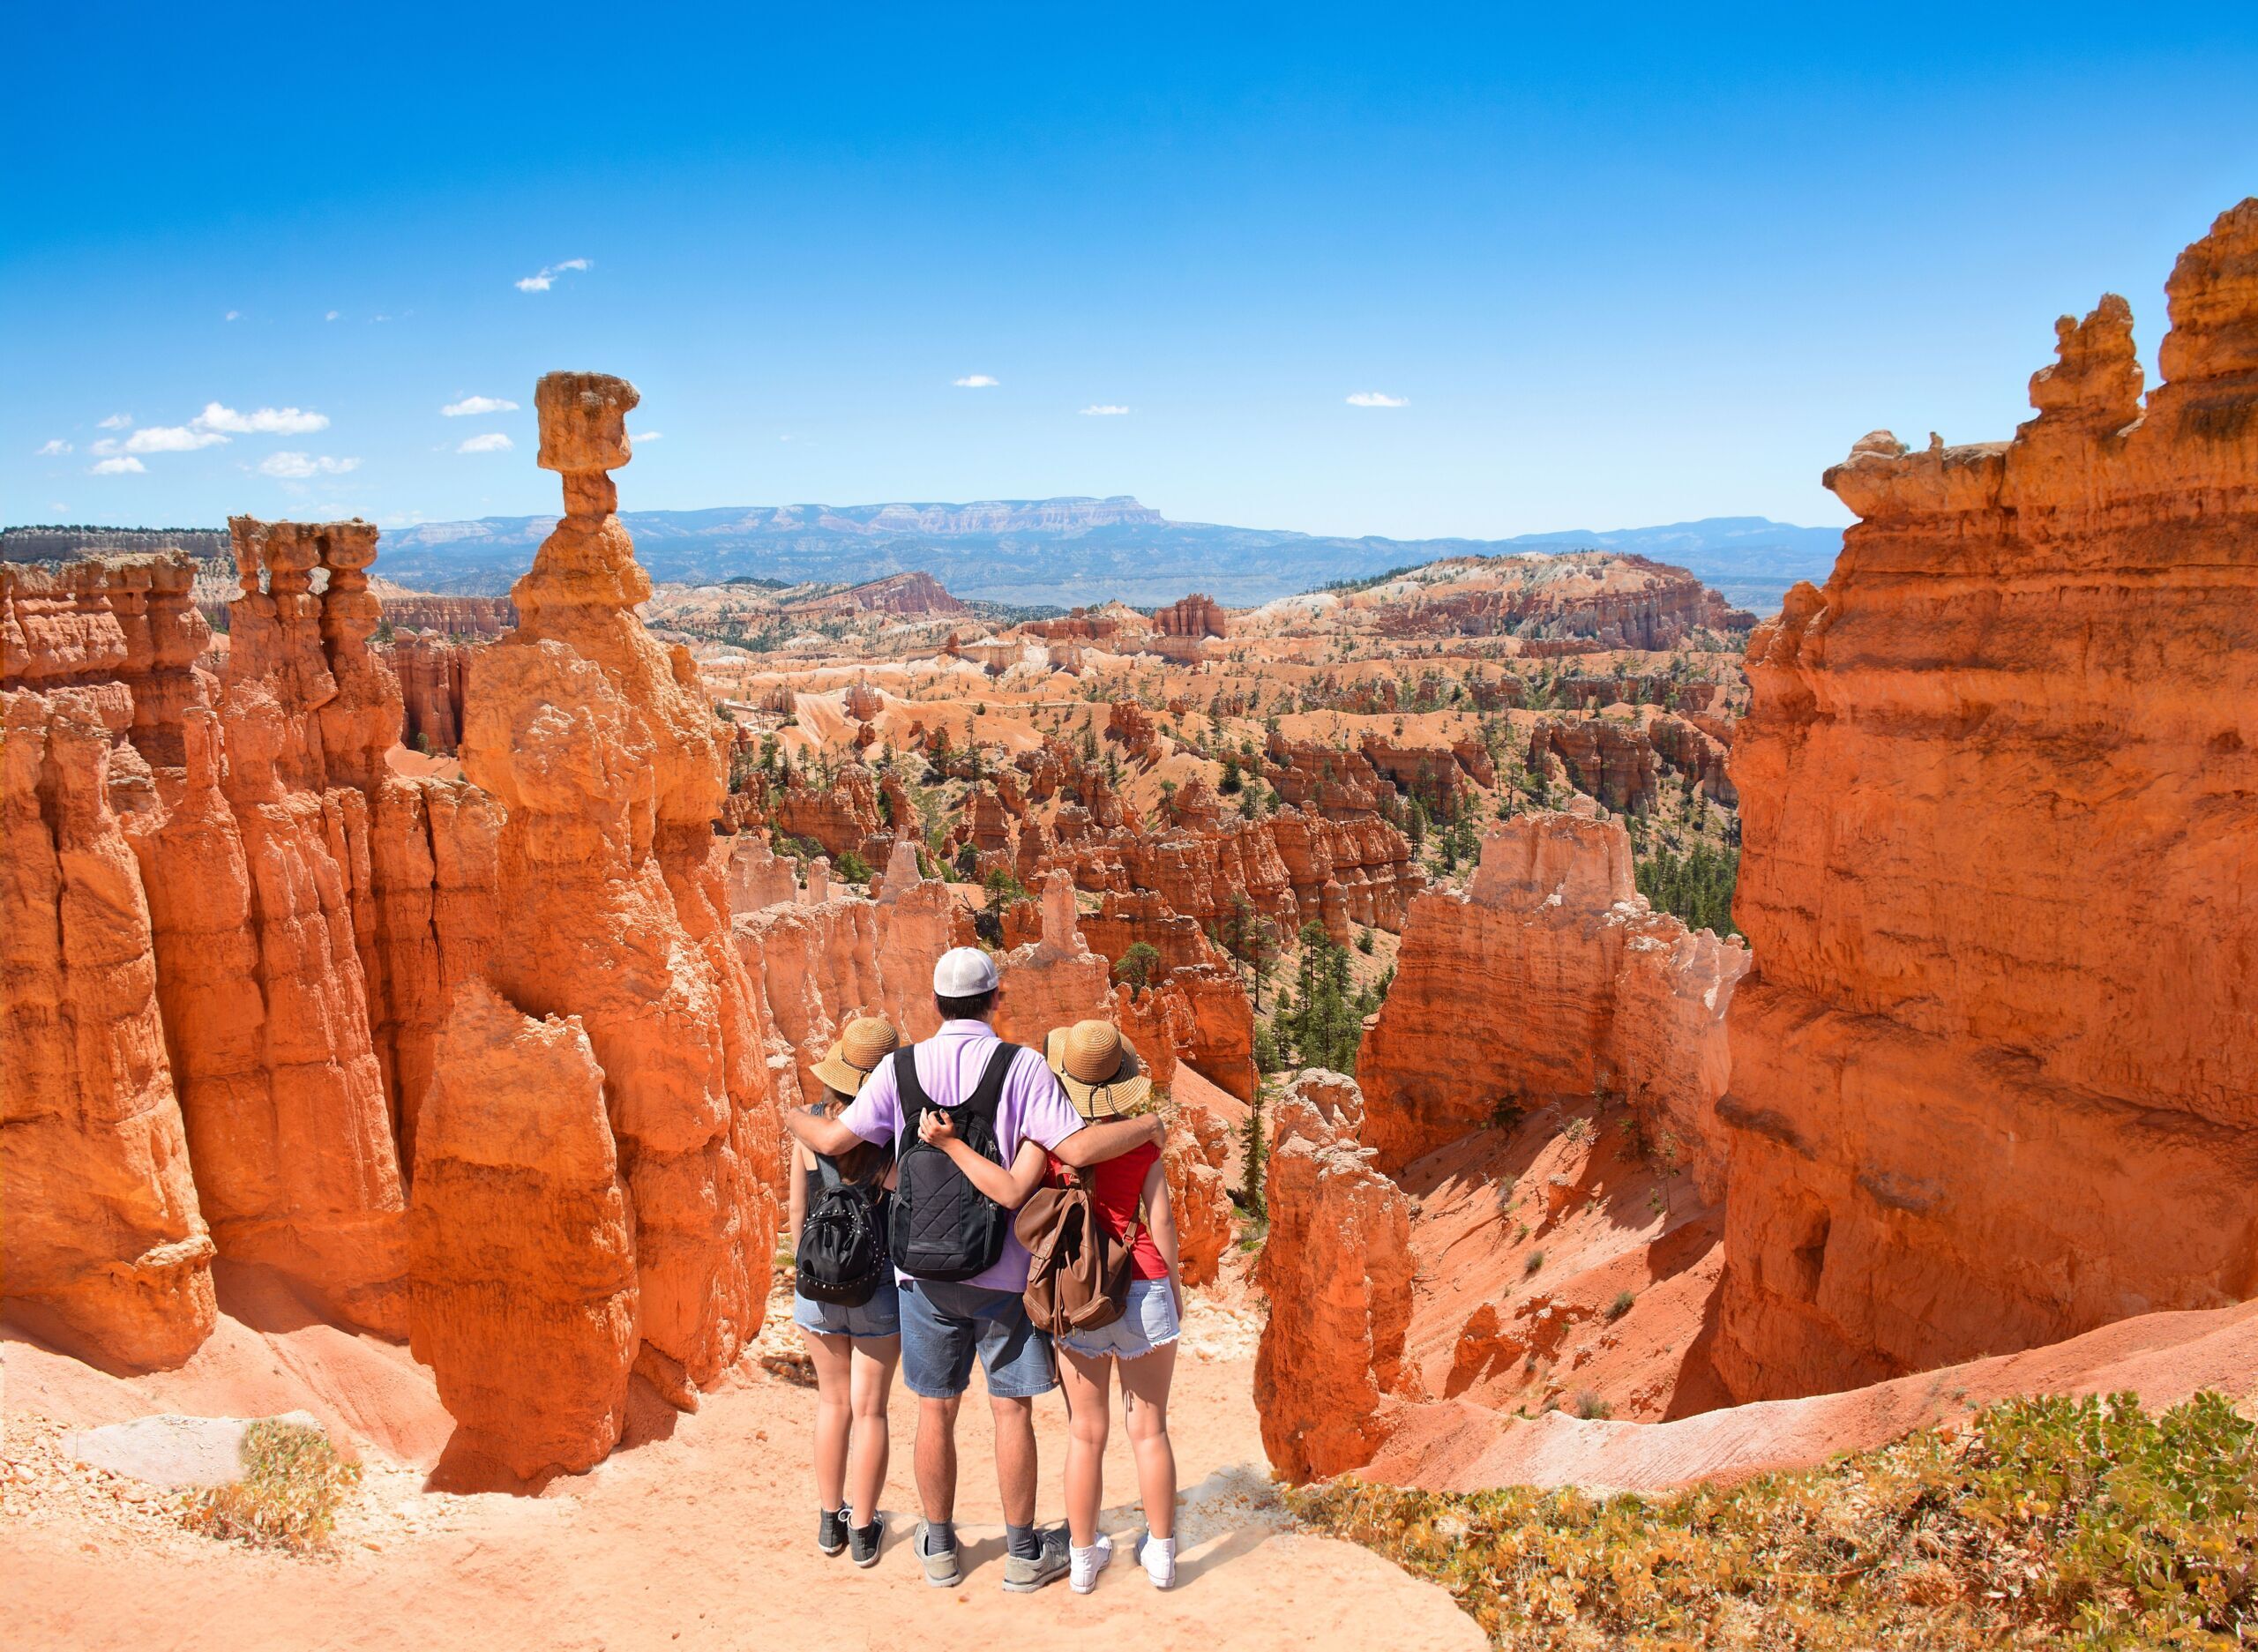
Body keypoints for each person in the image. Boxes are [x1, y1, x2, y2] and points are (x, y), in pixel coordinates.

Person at [780, 947, 1163, 1594]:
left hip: (920, 1274)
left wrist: (792, 1115)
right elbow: (1073, 1148)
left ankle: (938, 1547)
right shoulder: (1023, 1066)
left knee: (935, 1408)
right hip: (1003, 1272)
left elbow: (834, 1142)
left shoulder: (899, 1068)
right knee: (1011, 1412)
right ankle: (1021, 1554)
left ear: (933, 1003)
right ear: (997, 999)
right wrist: (1150, 1126)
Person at [922, 1020, 1181, 1593]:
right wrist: (1174, 1292)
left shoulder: (1047, 1140)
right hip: (1143, 1285)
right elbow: (1158, 1220)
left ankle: (1083, 1561)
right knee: (1150, 1430)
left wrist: (949, 1145)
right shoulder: (1142, 1140)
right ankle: (1161, 1555)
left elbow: (1013, 1192)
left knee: (1085, 1432)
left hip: (1076, 1294)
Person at [788, 1015, 903, 1569]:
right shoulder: (892, 1133)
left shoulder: (811, 1126)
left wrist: (813, 1270)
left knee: (831, 1404)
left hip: (817, 1283)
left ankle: (828, 1521)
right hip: (877, 1285)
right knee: (871, 1410)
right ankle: (863, 1530)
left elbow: (795, 1213)